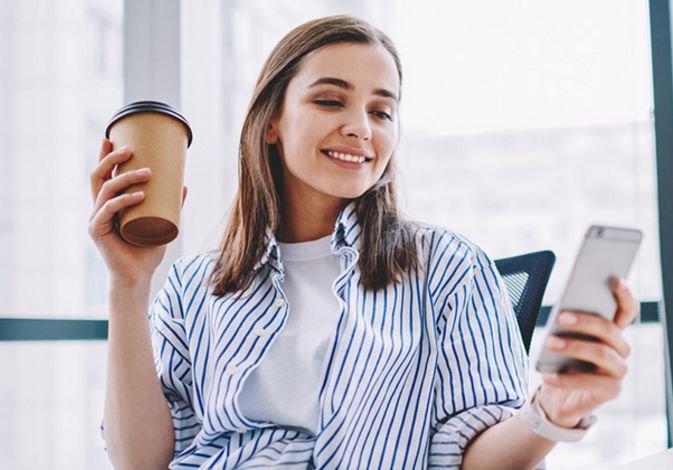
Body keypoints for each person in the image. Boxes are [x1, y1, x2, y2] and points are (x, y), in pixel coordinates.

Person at [89, 15, 637, 470]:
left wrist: (554, 411)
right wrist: (128, 284)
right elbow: (143, 463)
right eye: (331, 101)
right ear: (271, 120)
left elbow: (474, 457)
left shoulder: (447, 267)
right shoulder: (193, 287)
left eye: (381, 110)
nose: (361, 128)